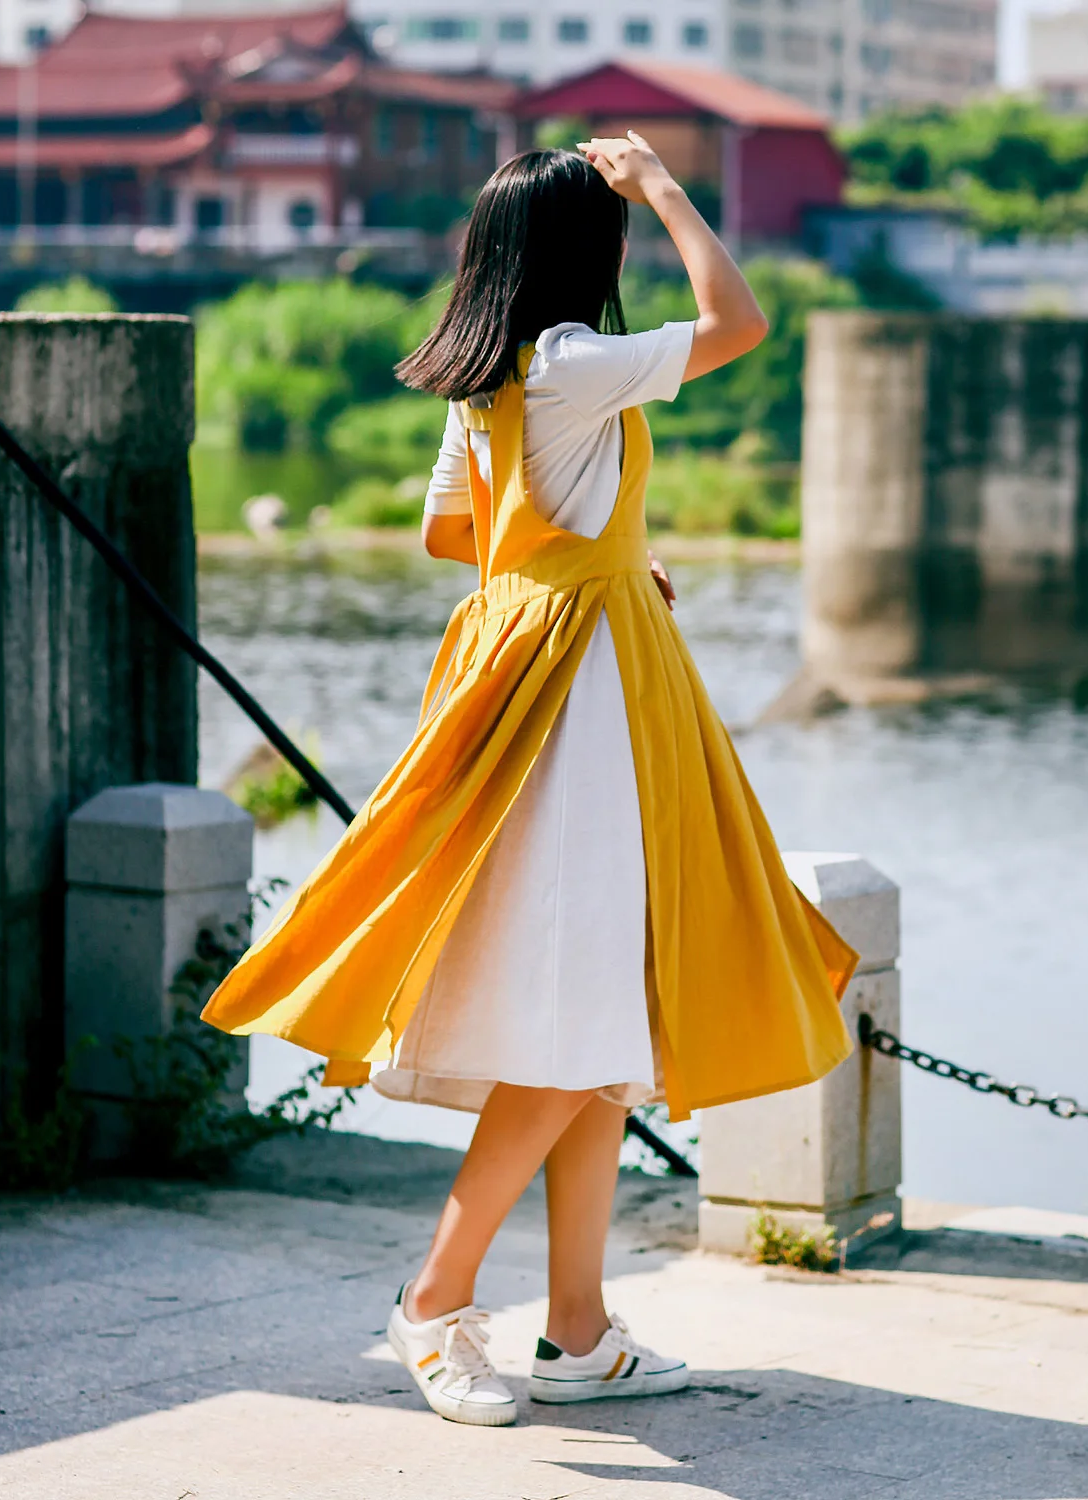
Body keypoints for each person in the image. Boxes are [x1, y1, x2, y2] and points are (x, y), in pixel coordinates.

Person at [201, 134, 858, 1428]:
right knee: (578, 1027)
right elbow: (739, 319)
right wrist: (665, 186)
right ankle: (437, 1303)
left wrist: (597, 552)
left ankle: (578, 1327)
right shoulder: (569, 364)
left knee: (597, 1025)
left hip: (527, 668)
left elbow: (456, 531)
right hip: (590, 700)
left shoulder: (483, 377)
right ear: (586, 248)